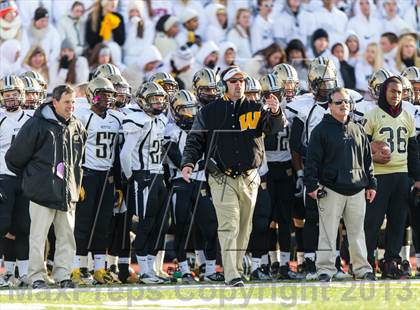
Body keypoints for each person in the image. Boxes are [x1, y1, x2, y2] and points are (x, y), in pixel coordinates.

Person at [180, 65, 286, 287]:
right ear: (224, 85)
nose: (238, 85)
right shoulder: (208, 112)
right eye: (233, 81)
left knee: (245, 226)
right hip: (221, 176)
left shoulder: (256, 107)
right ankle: (232, 274)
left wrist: (276, 111)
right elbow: (195, 139)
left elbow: (274, 127)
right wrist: (188, 163)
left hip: (249, 176)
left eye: (241, 81)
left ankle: (235, 269)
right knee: (229, 225)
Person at [5, 84, 87, 289]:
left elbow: (78, 160)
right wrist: (33, 179)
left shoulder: (77, 125)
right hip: (41, 192)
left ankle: (63, 275)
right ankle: (36, 276)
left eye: (73, 102)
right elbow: (14, 158)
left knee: (67, 237)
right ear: (55, 102)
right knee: (38, 237)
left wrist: (75, 184)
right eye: (67, 102)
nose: (71, 107)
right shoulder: (36, 124)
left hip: (67, 192)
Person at [304, 87, 377, 282]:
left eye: (346, 101)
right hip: (331, 190)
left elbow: (367, 160)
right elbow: (311, 161)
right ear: (329, 106)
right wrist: (311, 186)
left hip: (357, 189)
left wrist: (371, 184)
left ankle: (362, 269)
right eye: (339, 102)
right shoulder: (320, 130)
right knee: (327, 232)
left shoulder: (358, 128)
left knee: (357, 232)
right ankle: (325, 270)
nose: (344, 105)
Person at [364, 76, 420, 279]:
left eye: (399, 92)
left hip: (401, 176)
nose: (396, 95)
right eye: (392, 91)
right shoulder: (373, 115)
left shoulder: (407, 115)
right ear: (383, 92)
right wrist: (372, 156)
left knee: (397, 223)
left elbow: (413, 150)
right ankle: (367, 264)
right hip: (379, 176)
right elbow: (361, 148)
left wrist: (417, 178)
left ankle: (391, 263)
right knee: (372, 222)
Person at [0, 75, 33, 288]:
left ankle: (23, 273)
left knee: (23, 226)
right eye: (6, 95)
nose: (10, 98)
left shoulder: (31, 119)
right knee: (2, 225)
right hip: (3, 178)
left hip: (25, 179)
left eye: (14, 94)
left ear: (22, 95)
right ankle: (6, 273)